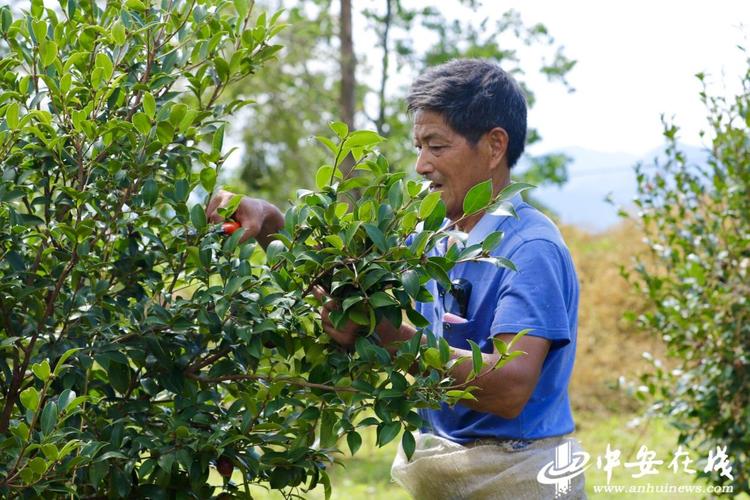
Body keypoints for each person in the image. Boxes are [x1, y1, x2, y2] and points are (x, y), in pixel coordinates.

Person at [208, 59, 585, 499]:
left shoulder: (529, 249)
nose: (422, 165)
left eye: (437, 146)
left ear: (494, 145)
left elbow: (510, 387)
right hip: (447, 470)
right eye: (418, 147)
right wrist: (273, 225)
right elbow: (354, 291)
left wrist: (394, 338)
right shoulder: (433, 237)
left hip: (521, 479)